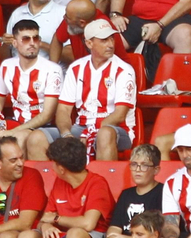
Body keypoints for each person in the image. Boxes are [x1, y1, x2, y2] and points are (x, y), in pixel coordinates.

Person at [18, 134, 113, 238]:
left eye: (53, 163)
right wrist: (45, 226)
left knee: (75, 234)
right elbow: (45, 218)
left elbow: (88, 224)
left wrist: (56, 219)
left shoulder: (97, 183)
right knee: (25, 237)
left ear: (61, 169)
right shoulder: (60, 181)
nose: (52, 168)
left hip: (92, 237)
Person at [0, 18, 61, 161]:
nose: (32, 43)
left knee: (14, 140)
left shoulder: (52, 69)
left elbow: (47, 115)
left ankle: (19, 183)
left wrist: (12, 131)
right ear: (15, 43)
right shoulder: (7, 65)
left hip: (44, 128)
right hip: (16, 124)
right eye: (26, 39)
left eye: (35, 38)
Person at [56, 19, 137, 160]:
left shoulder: (124, 70)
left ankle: (106, 181)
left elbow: (119, 115)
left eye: (112, 39)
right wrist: (66, 135)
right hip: (80, 127)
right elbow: (63, 109)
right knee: (37, 138)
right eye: (104, 40)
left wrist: (91, 133)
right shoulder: (76, 68)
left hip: (116, 129)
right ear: (89, 43)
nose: (111, 45)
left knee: (103, 134)